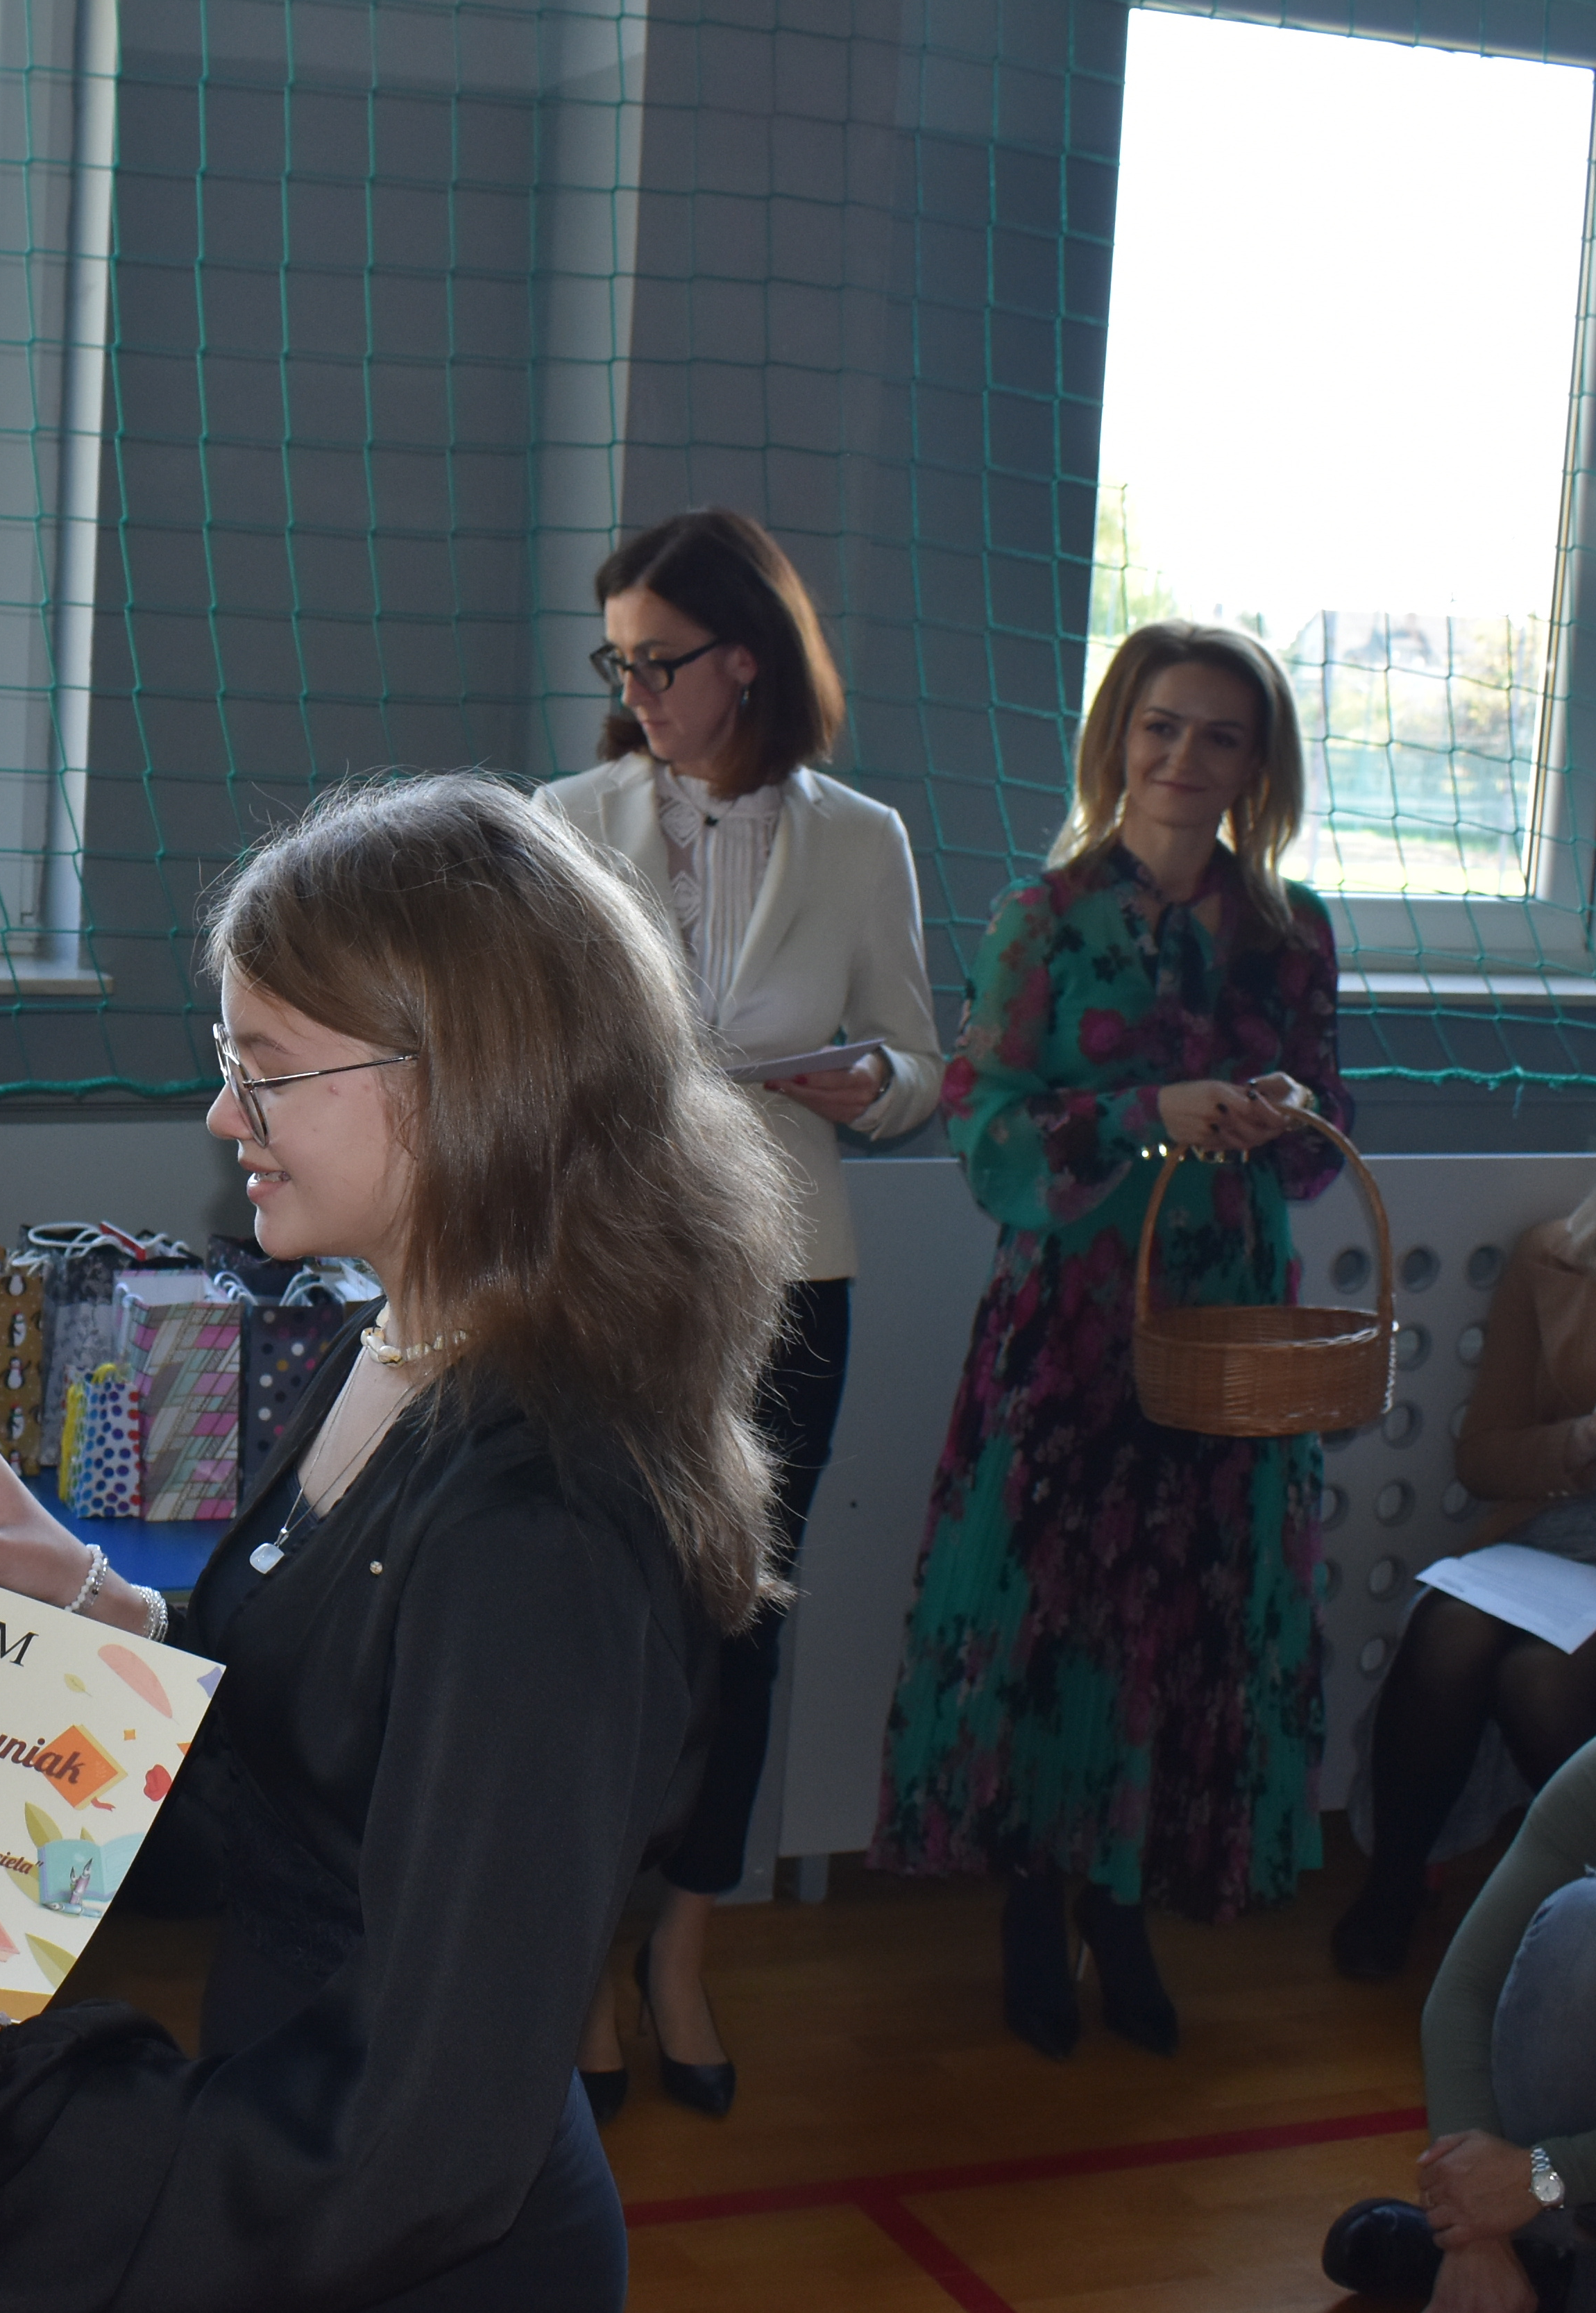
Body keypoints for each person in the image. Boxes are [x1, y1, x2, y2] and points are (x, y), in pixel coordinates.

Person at [0, 772, 795, 2311]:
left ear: (456, 1082)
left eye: (263, 1070)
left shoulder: (540, 1534)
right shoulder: (397, 1339)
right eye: (226, 1063)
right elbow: (332, 1743)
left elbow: (423, 2136)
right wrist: (93, 1594)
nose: (221, 1118)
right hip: (293, 2105)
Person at [870, 618, 1348, 2061]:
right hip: (1071, 1320)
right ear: (1117, 739)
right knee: (1053, 1606)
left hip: (1231, 1315)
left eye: (1220, 734)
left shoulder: (1293, 928)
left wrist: (1278, 1113)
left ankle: (1124, 1900)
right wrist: (1151, 1114)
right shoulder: (1044, 915)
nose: (1185, 755)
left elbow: (1324, 1142)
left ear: (1257, 764)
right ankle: (1033, 1896)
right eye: (1161, 725)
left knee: (1193, 1612)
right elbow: (986, 1123)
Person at [538, 506, 942, 2119]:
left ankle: (683, 1953)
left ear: (749, 660)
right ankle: (577, 1961)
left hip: (790, 1276)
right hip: (612, 1274)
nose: (633, 690)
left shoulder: (860, 838)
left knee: (739, 1620)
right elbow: (519, 1054)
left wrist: (872, 1078)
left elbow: (916, 1063)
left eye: (661, 660)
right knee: (591, 1622)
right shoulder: (563, 819)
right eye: (617, 661)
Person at [1333, 1186, 1596, 1980]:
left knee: (1535, 1679)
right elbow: (1479, 1458)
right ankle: (1393, 1884)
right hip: (1553, 1526)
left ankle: (1557, 1915)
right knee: (1447, 1625)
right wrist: (1577, 1444)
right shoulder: (1554, 1254)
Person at [1319, 1744, 1596, 2312]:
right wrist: (1477, 2232)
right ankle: (1528, 2252)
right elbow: (1464, 1992)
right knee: (1581, 1928)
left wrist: (1541, 2175)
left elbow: (1547, 2173)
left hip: (1560, 2176)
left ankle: (1554, 2268)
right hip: (1557, 2184)